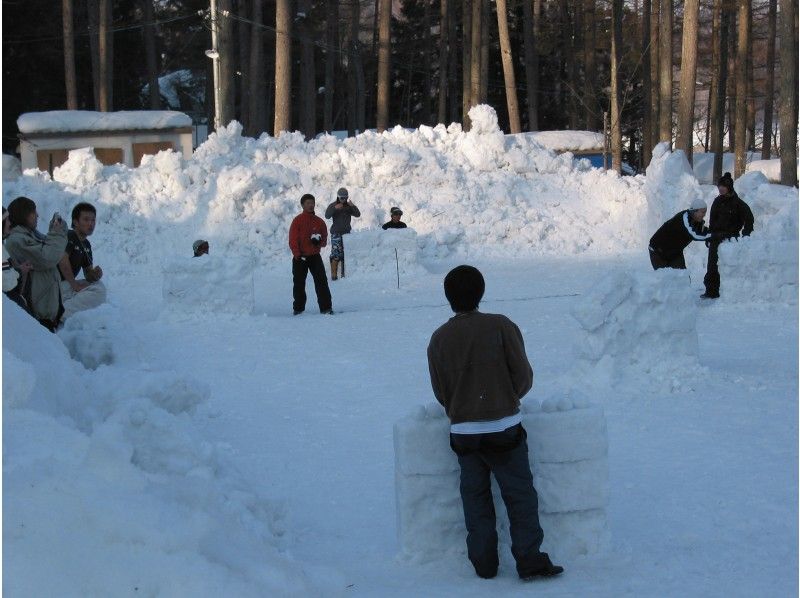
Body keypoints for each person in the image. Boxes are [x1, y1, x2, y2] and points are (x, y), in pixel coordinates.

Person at [426, 265, 563, 582]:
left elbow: (440, 391)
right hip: (504, 428)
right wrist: (505, 398)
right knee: (520, 495)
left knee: (475, 497)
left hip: (463, 432)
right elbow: (524, 377)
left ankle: (484, 564)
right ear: (481, 292)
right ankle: (529, 559)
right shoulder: (501, 326)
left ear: (449, 298)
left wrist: (463, 408)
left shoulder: (439, 339)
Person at [4, 196, 67, 331]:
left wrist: (54, 230)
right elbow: (48, 257)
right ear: (24, 215)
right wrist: (57, 233)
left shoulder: (29, 235)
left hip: (46, 308)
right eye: (33, 213)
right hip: (38, 310)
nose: (37, 215)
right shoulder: (16, 240)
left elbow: (49, 247)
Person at [702, 172, 754, 299]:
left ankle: (728, 291)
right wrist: (710, 235)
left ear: (729, 187)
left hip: (730, 238)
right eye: (719, 186)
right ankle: (711, 291)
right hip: (716, 237)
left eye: (723, 186)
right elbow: (712, 220)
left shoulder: (738, 203)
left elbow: (749, 219)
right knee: (712, 265)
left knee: (727, 266)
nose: (720, 188)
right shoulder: (717, 201)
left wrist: (745, 235)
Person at [57, 202, 107, 321]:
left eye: (93, 220)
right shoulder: (69, 235)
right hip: (54, 285)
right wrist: (74, 285)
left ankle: (64, 310)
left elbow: (88, 274)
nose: (91, 224)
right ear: (75, 222)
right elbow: (62, 260)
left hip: (66, 287)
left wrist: (95, 275)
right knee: (98, 291)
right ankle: (60, 314)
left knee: (98, 286)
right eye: (86, 219)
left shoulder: (86, 244)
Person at [289, 194, 333, 315]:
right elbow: (292, 239)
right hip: (300, 257)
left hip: (314, 257)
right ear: (302, 205)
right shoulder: (297, 221)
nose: (310, 205)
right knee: (299, 284)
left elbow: (324, 238)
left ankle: (326, 308)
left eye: (312, 202)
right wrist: (297, 254)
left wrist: (319, 242)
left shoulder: (319, 222)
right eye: (308, 203)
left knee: (321, 281)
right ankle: (298, 309)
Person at [648, 198, 711, 270]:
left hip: (674, 252)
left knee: (682, 277)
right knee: (666, 278)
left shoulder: (697, 221)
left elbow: (703, 231)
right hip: (658, 251)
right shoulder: (684, 218)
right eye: (703, 212)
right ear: (694, 211)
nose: (704, 215)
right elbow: (694, 235)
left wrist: (713, 234)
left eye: (705, 212)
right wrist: (714, 236)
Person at [324, 187, 360, 280]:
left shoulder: (348, 206)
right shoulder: (333, 205)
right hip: (336, 233)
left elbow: (358, 214)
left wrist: (353, 206)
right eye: (342, 198)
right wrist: (334, 208)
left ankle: (344, 274)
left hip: (347, 234)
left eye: (345, 198)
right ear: (338, 197)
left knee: (345, 254)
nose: (344, 200)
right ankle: (334, 275)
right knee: (336, 253)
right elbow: (327, 215)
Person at [3, 207, 32, 312]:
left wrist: (18, 270)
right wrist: (19, 272)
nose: (10, 223)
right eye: (7, 220)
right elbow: (6, 284)